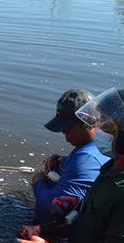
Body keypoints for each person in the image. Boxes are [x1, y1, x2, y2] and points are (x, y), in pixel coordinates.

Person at [17, 88, 124, 243]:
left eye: (106, 125)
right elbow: (94, 214)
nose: (98, 127)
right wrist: (56, 221)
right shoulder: (114, 167)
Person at [31, 89, 110, 224]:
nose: (64, 134)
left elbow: (49, 211)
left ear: (88, 122)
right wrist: (64, 162)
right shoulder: (106, 143)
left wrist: (38, 182)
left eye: (67, 128)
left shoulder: (85, 160)